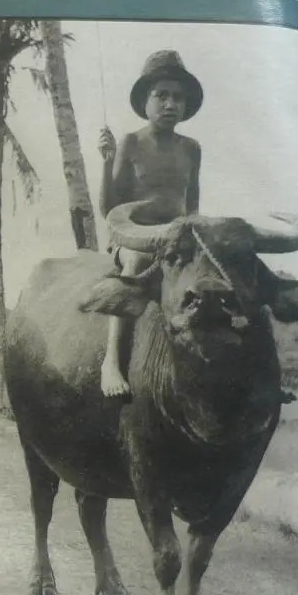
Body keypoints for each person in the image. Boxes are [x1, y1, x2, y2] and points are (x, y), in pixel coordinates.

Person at [97, 49, 204, 399]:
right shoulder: (131, 142)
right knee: (136, 262)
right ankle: (111, 361)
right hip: (136, 239)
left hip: (177, 238)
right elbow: (109, 208)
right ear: (146, 102)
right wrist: (106, 161)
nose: (170, 104)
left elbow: (192, 205)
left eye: (178, 97)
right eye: (161, 95)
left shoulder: (192, 149)